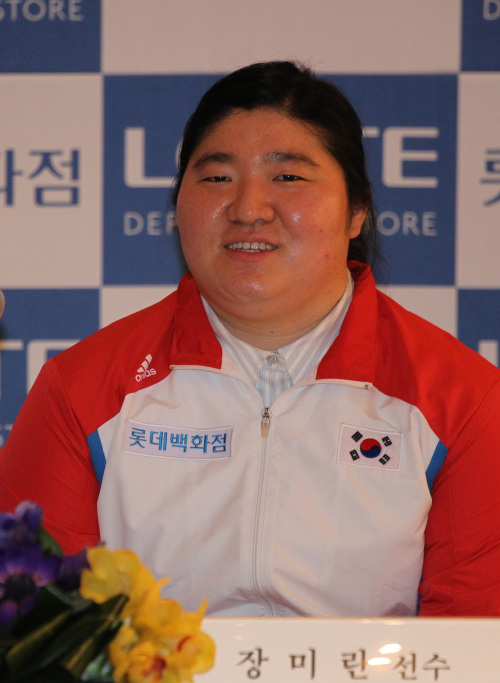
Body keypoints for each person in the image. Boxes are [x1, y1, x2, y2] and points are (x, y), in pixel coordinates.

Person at [1, 61, 500, 618]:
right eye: (217, 178)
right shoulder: (82, 387)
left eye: (288, 178)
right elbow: (37, 635)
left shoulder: (463, 398)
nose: (247, 209)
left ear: (356, 211)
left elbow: (474, 638)